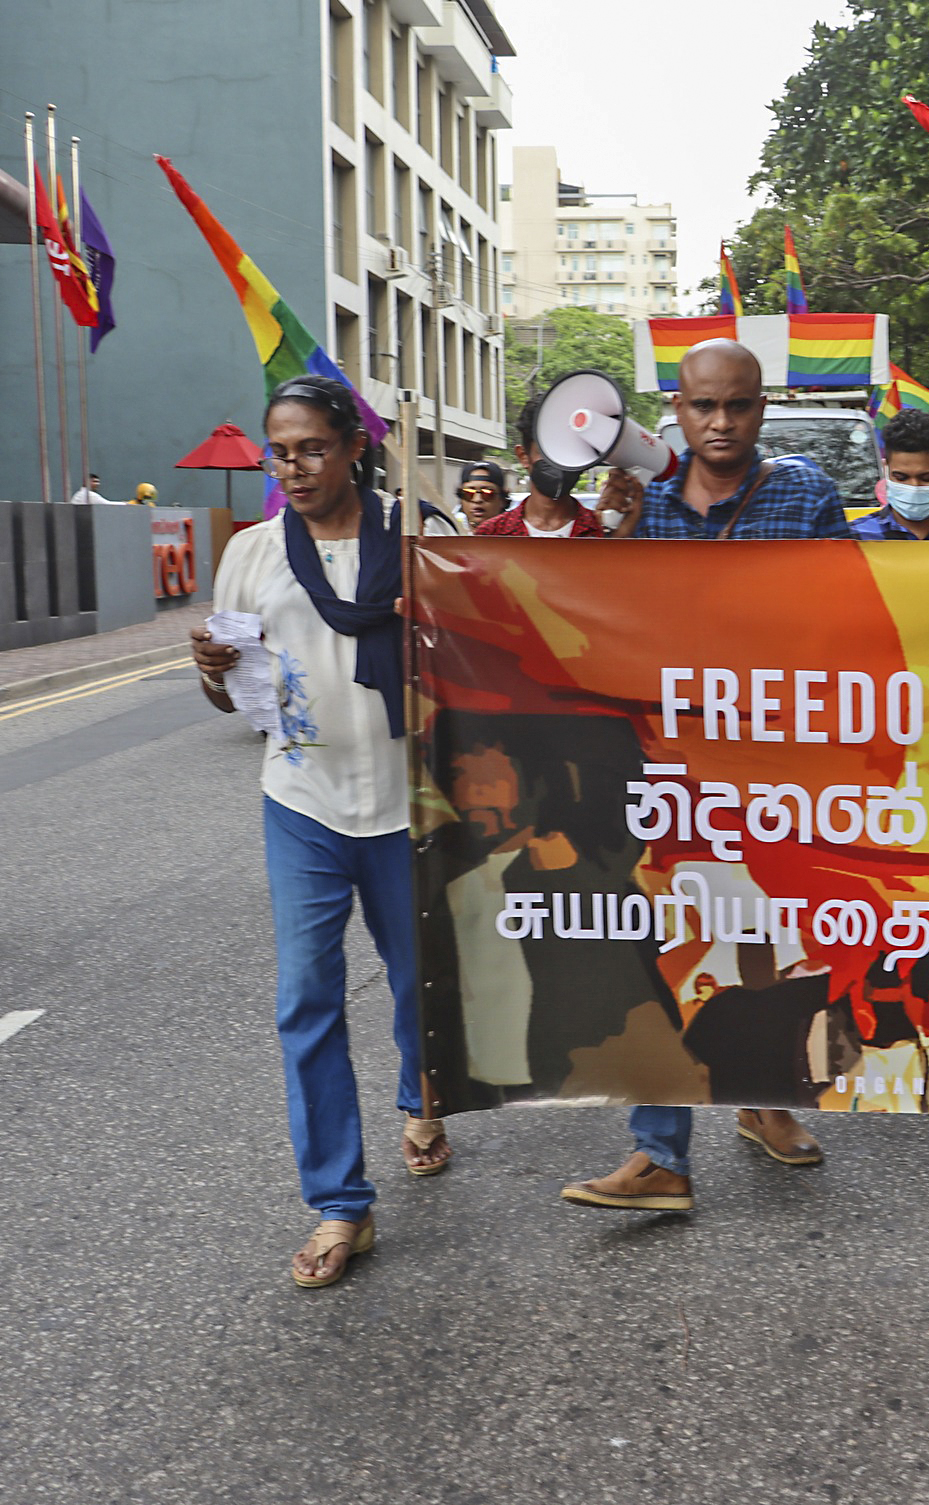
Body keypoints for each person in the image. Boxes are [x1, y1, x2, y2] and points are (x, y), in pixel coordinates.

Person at [562, 338, 849, 1214]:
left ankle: (764, 1101)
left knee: (765, 939)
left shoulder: (807, 495)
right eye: (702, 407)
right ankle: (660, 1152)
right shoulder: (639, 503)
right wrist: (608, 536)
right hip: (668, 764)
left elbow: (851, 614)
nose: (721, 424)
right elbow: (593, 621)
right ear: (674, 410)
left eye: (740, 406)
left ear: (763, 407)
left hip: (774, 763)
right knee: (666, 938)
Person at [189, 375, 459, 1290]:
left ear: (352, 446)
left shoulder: (420, 540)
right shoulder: (254, 554)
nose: (293, 466)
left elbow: (478, 653)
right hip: (301, 800)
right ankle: (340, 1201)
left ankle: (422, 1098)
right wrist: (211, 670)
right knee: (307, 998)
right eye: (280, 450)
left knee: (420, 981)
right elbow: (235, 694)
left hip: (407, 801)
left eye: (311, 447)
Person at [480, 407, 605, 537]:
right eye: (547, 451)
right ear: (523, 456)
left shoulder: (602, 532)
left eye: (569, 450)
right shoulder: (491, 534)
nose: (558, 461)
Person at [852, 409, 929, 540]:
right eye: (901, 478)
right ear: (886, 469)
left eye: (927, 478)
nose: (914, 487)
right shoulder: (855, 538)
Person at [455, 460, 512, 532]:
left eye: (487, 493)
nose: (477, 499)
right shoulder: (449, 535)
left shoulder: (517, 538)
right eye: (469, 493)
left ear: (503, 500)